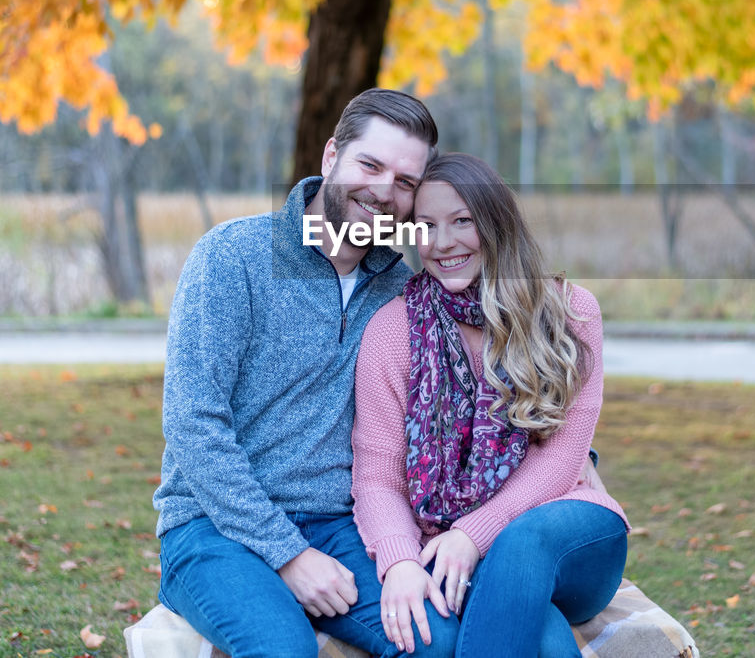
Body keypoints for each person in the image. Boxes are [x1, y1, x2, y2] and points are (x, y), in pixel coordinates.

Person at [153, 89, 459, 658]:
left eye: (406, 181)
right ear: (330, 158)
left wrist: (572, 461)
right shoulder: (232, 257)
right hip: (212, 527)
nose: (384, 191)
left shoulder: (401, 289)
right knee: (284, 649)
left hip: (341, 528)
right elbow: (194, 425)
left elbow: (467, 395)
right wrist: (288, 555)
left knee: (437, 643)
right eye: (370, 165)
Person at [351, 153, 629, 658]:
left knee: (520, 545)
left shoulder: (568, 312)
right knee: (543, 636)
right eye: (426, 226)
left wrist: (471, 534)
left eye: (462, 221)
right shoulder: (391, 333)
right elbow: (377, 477)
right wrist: (400, 561)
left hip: (567, 532)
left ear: (496, 221)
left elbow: (562, 460)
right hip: (454, 553)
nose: (442, 243)